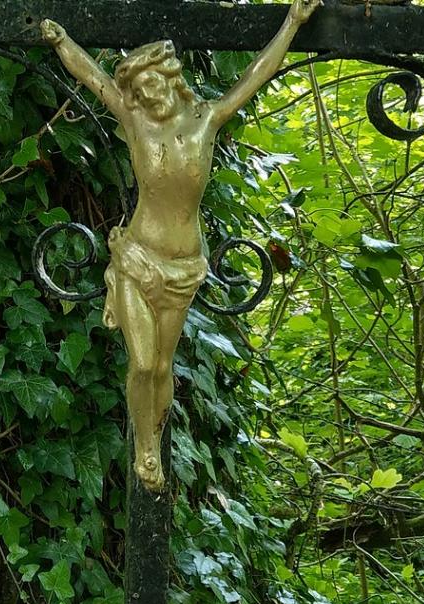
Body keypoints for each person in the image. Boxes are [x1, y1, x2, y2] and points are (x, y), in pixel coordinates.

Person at [42, 0, 321, 490]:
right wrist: (62, 41)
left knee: (164, 367)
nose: (146, 94)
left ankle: (154, 435)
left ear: (171, 78)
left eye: (152, 83)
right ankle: (144, 451)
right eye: (138, 89)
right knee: (143, 363)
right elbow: (93, 78)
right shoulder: (135, 124)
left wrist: (292, 23)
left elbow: (255, 75)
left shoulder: (206, 120)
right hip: (137, 257)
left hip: (185, 267)